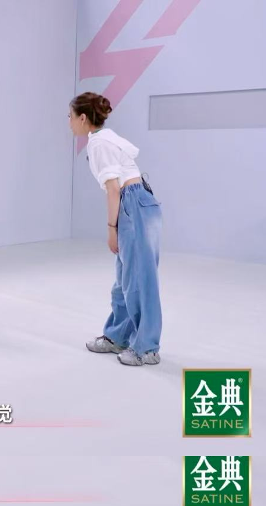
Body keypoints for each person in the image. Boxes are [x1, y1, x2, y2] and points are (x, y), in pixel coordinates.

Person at [69, 92, 163, 366]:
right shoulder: (105, 137)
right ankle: (118, 336)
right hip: (138, 202)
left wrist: (112, 229)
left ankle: (147, 348)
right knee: (124, 280)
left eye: (70, 116)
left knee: (139, 280)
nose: (69, 122)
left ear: (83, 118)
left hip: (132, 204)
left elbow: (113, 189)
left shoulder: (98, 143)